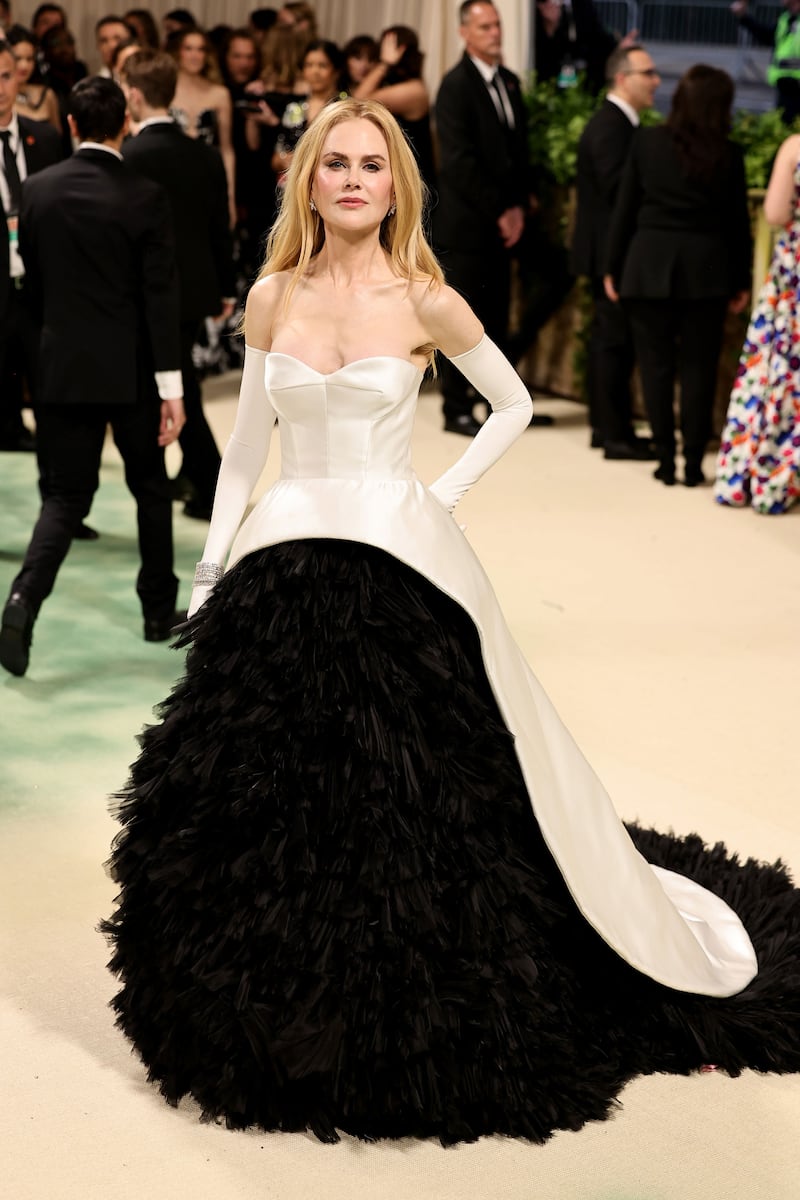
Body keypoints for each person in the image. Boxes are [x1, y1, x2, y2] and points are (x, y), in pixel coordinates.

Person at [102, 97, 800, 1145]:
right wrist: (210, 564)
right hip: (280, 562)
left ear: (396, 186)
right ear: (308, 180)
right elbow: (244, 446)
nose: (351, 180)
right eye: (334, 163)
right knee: (257, 799)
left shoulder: (424, 297)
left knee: (416, 792)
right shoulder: (273, 296)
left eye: (370, 166)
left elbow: (511, 405)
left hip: (397, 559)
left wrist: (439, 495)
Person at [0, 76, 185, 678]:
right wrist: (172, 388)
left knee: (64, 498)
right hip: (132, 373)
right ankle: (157, 612)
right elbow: (160, 298)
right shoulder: (146, 195)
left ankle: (23, 600)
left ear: (72, 125)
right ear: (125, 124)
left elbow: (32, 284)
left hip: (62, 369)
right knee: (150, 489)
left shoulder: (36, 190)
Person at [604, 65, 751, 487]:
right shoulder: (729, 153)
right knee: (699, 369)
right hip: (707, 272)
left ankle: (666, 461)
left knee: (655, 368)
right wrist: (740, 280)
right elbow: (737, 224)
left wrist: (612, 266)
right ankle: (694, 464)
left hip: (648, 265)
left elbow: (625, 210)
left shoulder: (647, 141)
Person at [122, 49, 235, 522]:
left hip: (144, 291)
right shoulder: (203, 154)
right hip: (194, 288)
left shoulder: (128, 156)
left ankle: (210, 483)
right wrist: (226, 286)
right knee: (180, 379)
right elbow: (219, 225)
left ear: (132, 95)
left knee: (173, 386)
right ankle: (198, 477)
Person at [433, 1, 536, 437]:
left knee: (498, 314)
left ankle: (499, 401)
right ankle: (455, 406)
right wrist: (500, 211)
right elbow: (459, 163)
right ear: (465, 33)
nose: (495, 32)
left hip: (505, 220)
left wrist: (519, 207)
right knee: (465, 317)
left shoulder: (509, 81)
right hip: (468, 223)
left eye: (497, 25)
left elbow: (518, 152)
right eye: (485, 26)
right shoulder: (455, 86)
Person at [570, 42, 660, 459]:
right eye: (648, 73)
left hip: (611, 251)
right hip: (610, 252)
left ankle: (607, 429)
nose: (656, 81)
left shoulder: (621, 123)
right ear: (623, 78)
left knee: (612, 342)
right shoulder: (611, 125)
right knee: (613, 344)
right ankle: (613, 435)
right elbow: (618, 193)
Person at [715, 132, 800, 513]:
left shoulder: (795, 147)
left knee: (780, 372)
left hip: (794, 274)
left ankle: (770, 471)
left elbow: (775, 213)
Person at [0, 39, 61, 451]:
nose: (0, 87)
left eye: (6, 76)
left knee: (47, 380)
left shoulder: (46, 138)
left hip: (41, 283)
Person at [350, 26, 435, 193]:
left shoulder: (414, 90)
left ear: (400, 51)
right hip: (398, 177)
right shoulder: (396, 85)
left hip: (415, 183)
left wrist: (385, 63)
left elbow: (357, 103)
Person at [167, 25, 235, 226]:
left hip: (209, 180)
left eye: (200, 49)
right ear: (178, 52)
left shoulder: (219, 94)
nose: (195, 55)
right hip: (171, 177)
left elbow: (226, 149)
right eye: (188, 48)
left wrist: (230, 197)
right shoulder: (165, 91)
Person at [271, 38, 344, 189]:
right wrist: (283, 160)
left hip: (328, 187)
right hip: (290, 188)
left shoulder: (343, 108)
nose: (315, 71)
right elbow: (275, 158)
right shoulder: (294, 107)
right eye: (309, 65)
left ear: (336, 70)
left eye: (322, 65)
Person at [535, 0, 637, 93]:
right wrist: (550, 28)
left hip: (585, 78)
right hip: (551, 79)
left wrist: (618, 46)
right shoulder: (540, 6)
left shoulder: (582, 4)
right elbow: (540, 50)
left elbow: (598, 36)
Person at [731, 0, 800, 123]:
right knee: (784, 126)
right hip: (784, 85)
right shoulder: (785, 19)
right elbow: (767, 36)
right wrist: (744, 17)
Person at [6, 23, 61, 130]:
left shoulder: (47, 95)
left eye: (29, 59)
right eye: (17, 58)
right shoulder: (3, 98)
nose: (24, 66)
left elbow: (57, 136)